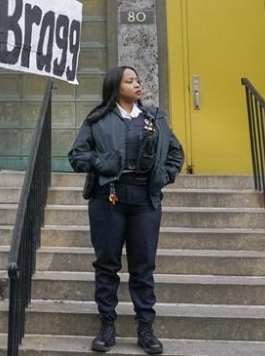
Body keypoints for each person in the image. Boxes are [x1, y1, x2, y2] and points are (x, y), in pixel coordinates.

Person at [68, 66, 184, 354]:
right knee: (106, 264)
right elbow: (77, 155)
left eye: (138, 80)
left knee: (143, 266)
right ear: (115, 87)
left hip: (145, 199)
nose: (137, 85)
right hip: (109, 198)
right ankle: (107, 325)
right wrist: (99, 162)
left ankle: (146, 327)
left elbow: (175, 153)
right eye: (130, 81)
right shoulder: (98, 119)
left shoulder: (154, 118)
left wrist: (164, 176)